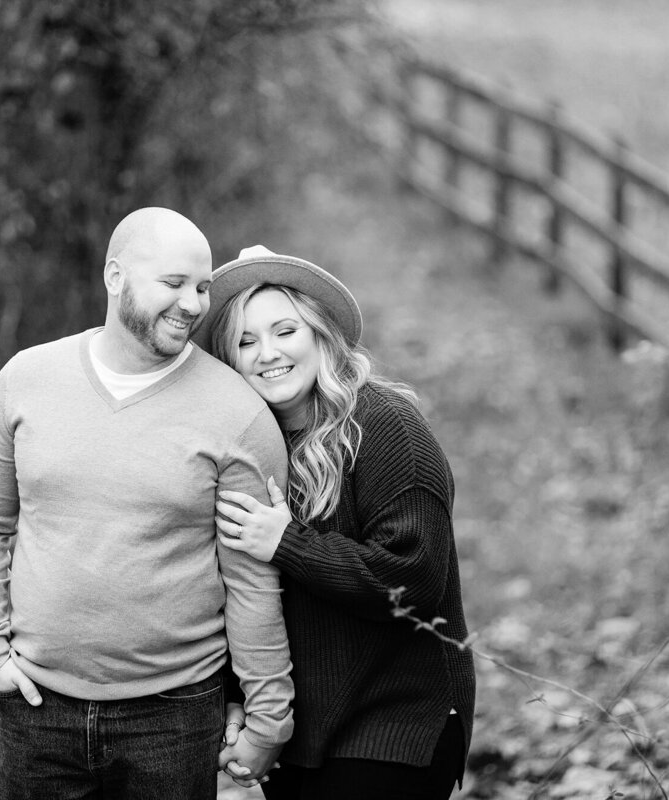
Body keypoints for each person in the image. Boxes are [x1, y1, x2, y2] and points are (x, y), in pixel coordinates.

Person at [0, 209, 293, 799]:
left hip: (176, 716)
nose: (192, 304)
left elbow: (253, 580)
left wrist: (269, 714)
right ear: (115, 276)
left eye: (204, 287)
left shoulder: (237, 413)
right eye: (174, 283)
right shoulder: (26, 380)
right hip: (37, 708)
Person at [200, 247, 476, 799]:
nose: (267, 353)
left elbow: (409, 581)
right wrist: (239, 694)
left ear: (321, 334)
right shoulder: (248, 448)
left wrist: (287, 541)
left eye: (284, 331)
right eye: (246, 341)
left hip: (396, 722)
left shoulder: (386, 427)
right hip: (305, 732)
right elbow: (240, 588)